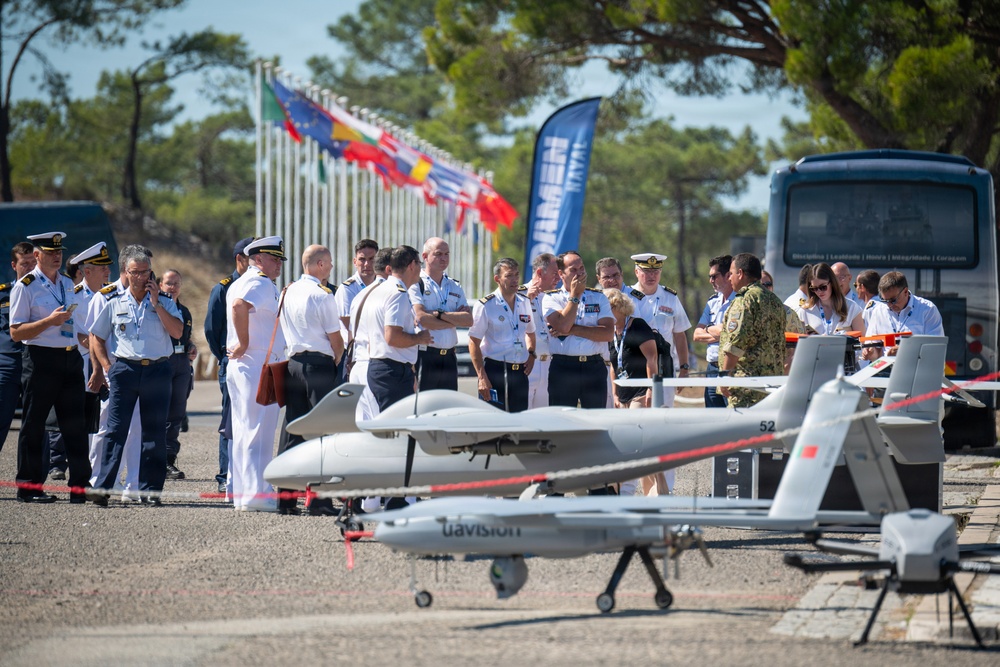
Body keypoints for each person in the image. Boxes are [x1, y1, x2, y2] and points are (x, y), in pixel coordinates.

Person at [88, 245, 183, 506]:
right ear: (126, 273)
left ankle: (150, 491)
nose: (142, 277)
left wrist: (157, 305)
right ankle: (103, 488)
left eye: (146, 272)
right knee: (115, 431)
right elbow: (96, 335)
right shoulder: (113, 301)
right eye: (136, 272)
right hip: (126, 371)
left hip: (157, 370)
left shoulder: (164, 301)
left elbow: (177, 332)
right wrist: (107, 366)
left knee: (154, 433)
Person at [9, 232, 91, 503]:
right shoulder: (26, 286)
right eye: (50, 252)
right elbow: (16, 332)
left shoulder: (67, 283)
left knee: (75, 426)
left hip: (70, 358)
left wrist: (88, 341)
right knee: (34, 425)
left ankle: (80, 488)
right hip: (41, 359)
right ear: (37, 256)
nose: (57, 256)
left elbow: (72, 324)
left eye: (59, 252)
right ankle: (29, 487)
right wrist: (48, 322)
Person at [276, 244, 344, 516]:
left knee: (292, 431)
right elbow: (336, 339)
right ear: (318, 264)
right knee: (322, 433)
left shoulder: (287, 291)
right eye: (328, 263)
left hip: (293, 364)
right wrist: (336, 360)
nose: (330, 267)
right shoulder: (323, 295)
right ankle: (318, 499)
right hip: (319, 366)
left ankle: (286, 499)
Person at [225, 236, 287, 512]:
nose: (279, 265)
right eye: (274, 259)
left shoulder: (246, 281)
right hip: (256, 361)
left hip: (250, 364)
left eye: (280, 260)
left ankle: (243, 493)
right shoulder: (259, 283)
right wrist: (245, 341)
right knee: (257, 431)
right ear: (258, 258)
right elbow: (240, 306)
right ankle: (256, 495)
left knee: (244, 430)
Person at [204, 236, 253, 495]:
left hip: (255, 365)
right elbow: (212, 331)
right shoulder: (223, 288)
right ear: (240, 259)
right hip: (232, 363)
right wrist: (224, 356)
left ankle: (245, 474)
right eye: (252, 257)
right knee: (230, 422)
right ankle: (225, 475)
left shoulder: (261, 285)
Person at [606, 287, 663, 496]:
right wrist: (614, 393)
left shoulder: (637, 325)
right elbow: (613, 365)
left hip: (640, 390)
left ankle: (654, 492)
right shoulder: (610, 332)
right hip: (622, 393)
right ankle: (622, 491)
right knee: (625, 445)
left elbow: (652, 358)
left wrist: (650, 388)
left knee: (640, 443)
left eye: (607, 307)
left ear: (617, 307)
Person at [362, 245, 432, 412]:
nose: (420, 269)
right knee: (395, 430)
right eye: (419, 264)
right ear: (412, 265)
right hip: (392, 372)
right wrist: (420, 338)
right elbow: (392, 337)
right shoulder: (398, 293)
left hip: (383, 367)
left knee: (388, 428)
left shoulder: (381, 289)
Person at [543, 250, 614, 409]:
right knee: (561, 419)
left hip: (594, 366)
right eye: (573, 270)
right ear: (561, 274)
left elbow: (608, 333)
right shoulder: (551, 298)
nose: (580, 273)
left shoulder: (598, 297)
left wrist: (572, 329)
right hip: (563, 367)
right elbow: (562, 326)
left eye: (581, 268)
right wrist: (574, 296)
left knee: (596, 419)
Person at [719, 253, 786, 408]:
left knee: (740, 431)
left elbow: (736, 343)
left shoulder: (744, 300)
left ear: (740, 274)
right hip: (772, 385)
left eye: (731, 273)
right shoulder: (774, 300)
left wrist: (724, 376)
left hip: (747, 388)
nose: (729, 278)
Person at [469, 258, 535, 412]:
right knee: (494, 422)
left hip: (520, 372)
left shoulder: (524, 302)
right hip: (496, 371)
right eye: (509, 275)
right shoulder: (486, 305)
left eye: (516, 275)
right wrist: (481, 377)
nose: (514, 280)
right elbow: (473, 343)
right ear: (497, 279)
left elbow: (531, 332)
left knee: (519, 421)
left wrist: (532, 354)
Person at [626, 252, 691, 407]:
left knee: (663, 414)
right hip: (634, 366)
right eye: (646, 271)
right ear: (636, 272)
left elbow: (680, 335)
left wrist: (684, 368)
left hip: (664, 366)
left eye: (656, 271)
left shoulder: (670, 297)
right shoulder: (626, 296)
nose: (652, 276)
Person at [409, 237, 472, 391]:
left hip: (449, 357)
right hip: (426, 356)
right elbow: (422, 319)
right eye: (438, 254)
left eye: (446, 254)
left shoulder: (454, 285)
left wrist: (438, 314)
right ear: (425, 256)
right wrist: (454, 319)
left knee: (448, 406)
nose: (444, 258)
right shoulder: (416, 283)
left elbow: (469, 320)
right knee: (425, 406)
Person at [158, 268, 195, 481]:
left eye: (176, 284)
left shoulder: (185, 311)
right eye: (169, 283)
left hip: (181, 365)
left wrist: (191, 347)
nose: (173, 288)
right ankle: (157, 458)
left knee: (176, 414)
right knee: (159, 413)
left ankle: (169, 459)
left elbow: (185, 337)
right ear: (160, 285)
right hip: (163, 363)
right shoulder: (156, 309)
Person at [348, 247, 392, 422]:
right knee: (380, 425)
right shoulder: (390, 292)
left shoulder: (361, 293)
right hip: (375, 365)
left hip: (358, 363)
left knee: (362, 424)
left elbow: (352, 332)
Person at [0, 242, 37, 452]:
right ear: (14, 265)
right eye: (25, 263)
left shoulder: (46, 295)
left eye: (34, 262)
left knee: (36, 426)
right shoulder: (3, 295)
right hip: (8, 365)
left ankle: (34, 482)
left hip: (37, 363)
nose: (30, 267)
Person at [862, 271, 944, 360]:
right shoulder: (878, 310)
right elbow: (875, 350)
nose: (889, 305)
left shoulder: (927, 310)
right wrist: (870, 353)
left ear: (905, 291)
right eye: (885, 301)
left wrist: (905, 351)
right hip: (887, 371)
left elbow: (936, 348)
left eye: (893, 300)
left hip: (918, 370)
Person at [693, 255, 735, 408]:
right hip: (711, 367)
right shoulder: (712, 302)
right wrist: (719, 332)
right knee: (712, 415)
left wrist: (709, 329)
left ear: (728, 276)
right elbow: (697, 335)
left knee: (731, 414)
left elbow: (733, 334)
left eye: (714, 276)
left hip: (730, 366)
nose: (711, 280)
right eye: (710, 277)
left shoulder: (739, 301)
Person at [518, 253, 560, 408]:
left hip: (550, 364)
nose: (559, 278)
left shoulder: (557, 297)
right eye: (555, 274)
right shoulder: (518, 294)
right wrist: (525, 302)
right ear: (540, 273)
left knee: (547, 420)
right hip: (528, 364)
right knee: (523, 416)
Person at [335, 239, 379, 360]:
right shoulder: (347, 288)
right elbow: (349, 323)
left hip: (375, 351)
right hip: (352, 353)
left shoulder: (382, 286)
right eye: (362, 259)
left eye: (371, 259)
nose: (367, 264)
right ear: (355, 262)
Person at [794, 263, 864, 336]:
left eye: (823, 287)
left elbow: (862, 341)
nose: (819, 292)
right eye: (814, 288)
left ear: (832, 283)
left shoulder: (851, 307)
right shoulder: (805, 311)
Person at [761, 269, 805, 374]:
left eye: (768, 284)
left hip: (781, 372)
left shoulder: (788, 313)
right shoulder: (746, 312)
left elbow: (799, 346)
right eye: (760, 285)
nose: (765, 288)